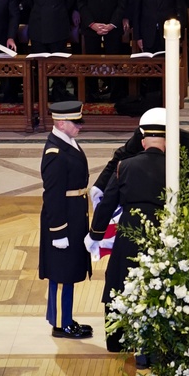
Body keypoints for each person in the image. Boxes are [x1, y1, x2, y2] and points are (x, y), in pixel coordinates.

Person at [89, 106, 168, 352]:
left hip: (129, 230)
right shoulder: (174, 168)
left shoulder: (124, 166)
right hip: (162, 231)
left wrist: (95, 234)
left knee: (119, 282)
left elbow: (108, 202)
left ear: (143, 142)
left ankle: (117, 340)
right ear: (165, 142)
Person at [38, 100, 93, 340]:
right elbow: (53, 195)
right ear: (61, 123)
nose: (79, 127)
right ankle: (62, 324)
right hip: (63, 221)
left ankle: (67, 318)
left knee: (69, 271)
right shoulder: (55, 153)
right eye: (75, 122)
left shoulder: (67, 142)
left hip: (74, 215)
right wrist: (58, 231)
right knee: (62, 274)